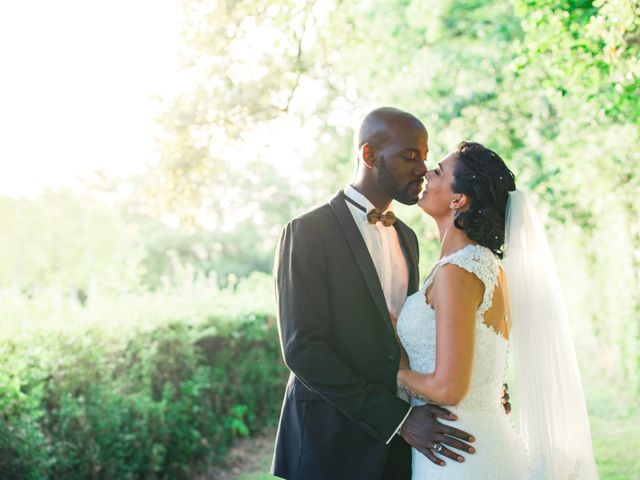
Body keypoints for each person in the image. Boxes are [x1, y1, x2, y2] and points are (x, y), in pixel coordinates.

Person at [271, 108, 476, 480]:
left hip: (399, 450)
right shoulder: (306, 232)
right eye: (409, 156)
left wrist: (481, 384)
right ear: (368, 156)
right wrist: (398, 420)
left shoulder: (408, 238)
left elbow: (410, 336)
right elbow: (302, 349)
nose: (421, 169)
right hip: (329, 443)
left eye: (425, 157)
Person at [396, 141, 599, 479]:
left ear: (458, 200)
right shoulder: (483, 267)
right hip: (470, 444)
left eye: (437, 172)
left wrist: (390, 371)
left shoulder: (458, 273)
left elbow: (449, 389)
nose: (426, 174)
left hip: (460, 456)